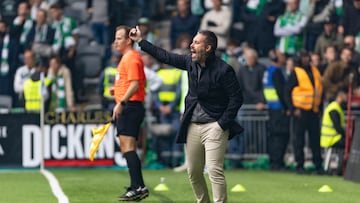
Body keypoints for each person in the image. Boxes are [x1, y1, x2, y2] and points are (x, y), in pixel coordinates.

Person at [130, 26, 243, 203]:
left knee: (214, 170)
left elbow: (236, 99)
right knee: (193, 172)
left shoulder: (224, 70)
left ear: (208, 48)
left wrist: (221, 124)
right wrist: (140, 41)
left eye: (196, 42)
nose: (191, 45)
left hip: (215, 127)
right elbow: (164, 56)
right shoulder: (190, 62)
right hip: (193, 126)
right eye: (192, 41)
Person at [111, 25, 149, 202]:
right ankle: (137, 185)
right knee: (127, 148)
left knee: (128, 148)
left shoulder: (131, 58)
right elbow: (134, 83)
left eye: (119, 38)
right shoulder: (127, 58)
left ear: (128, 40)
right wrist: (117, 91)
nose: (115, 41)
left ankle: (138, 186)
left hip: (130, 107)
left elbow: (135, 84)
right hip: (131, 105)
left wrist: (122, 102)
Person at [285, 50, 324, 174]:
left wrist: (320, 108)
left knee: (315, 140)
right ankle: (300, 165)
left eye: (307, 56)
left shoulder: (316, 71)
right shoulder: (295, 72)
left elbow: (319, 91)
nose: (306, 59)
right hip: (300, 111)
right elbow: (287, 92)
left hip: (313, 111)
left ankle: (318, 165)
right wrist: (293, 109)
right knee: (299, 140)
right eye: (303, 57)